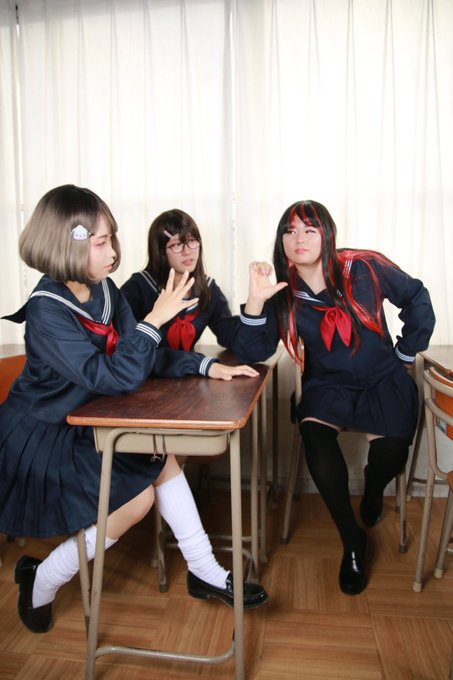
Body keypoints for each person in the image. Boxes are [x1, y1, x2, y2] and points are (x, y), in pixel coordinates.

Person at [0, 185, 268, 635]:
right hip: (44, 434)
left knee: (160, 456)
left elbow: (142, 357)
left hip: (90, 421)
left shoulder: (104, 290)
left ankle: (203, 569)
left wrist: (205, 366)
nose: (114, 252)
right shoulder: (47, 310)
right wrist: (154, 320)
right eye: (102, 242)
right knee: (140, 496)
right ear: (68, 244)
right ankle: (41, 580)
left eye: (113, 239)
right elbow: (112, 376)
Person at [230, 199, 435, 596]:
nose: (299, 238)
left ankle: (373, 489)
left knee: (391, 453)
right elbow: (251, 351)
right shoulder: (283, 292)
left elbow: (417, 296)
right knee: (316, 437)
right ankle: (352, 539)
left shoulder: (364, 266)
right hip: (327, 385)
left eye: (309, 229)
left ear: (327, 234)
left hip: (382, 379)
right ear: (281, 241)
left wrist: (407, 352)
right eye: (290, 231)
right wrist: (256, 301)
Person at [121, 208, 245, 380]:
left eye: (192, 241)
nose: (188, 251)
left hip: (187, 379)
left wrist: (256, 304)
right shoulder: (137, 288)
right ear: (160, 251)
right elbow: (131, 351)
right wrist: (201, 364)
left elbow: (229, 334)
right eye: (177, 245)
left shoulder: (207, 288)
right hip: (140, 383)